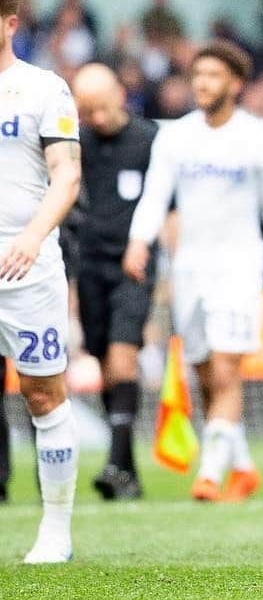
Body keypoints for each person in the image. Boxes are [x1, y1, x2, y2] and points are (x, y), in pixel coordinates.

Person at [124, 41, 263, 502]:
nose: (202, 83)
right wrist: (139, 242)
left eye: (213, 75)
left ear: (236, 83)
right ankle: (242, 468)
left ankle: (208, 474)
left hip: (240, 266)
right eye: (198, 75)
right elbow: (155, 195)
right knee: (205, 374)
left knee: (226, 369)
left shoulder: (261, 139)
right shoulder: (176, 136)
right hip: (189, 269)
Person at [0, 0, 82, 562]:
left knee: (43, 395)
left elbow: (68, 175)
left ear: (9, 23)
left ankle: (56, 528)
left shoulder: (43, 89)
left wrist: (32, 236)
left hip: (25, 268)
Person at [72, 63, 158, 500]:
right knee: (105, 363)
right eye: (88, 112)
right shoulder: (78, 143)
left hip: (135, 264)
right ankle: (125, 469)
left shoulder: (150, 140)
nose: (98, 119)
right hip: (90, 265)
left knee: (124, 358)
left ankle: (114, 462)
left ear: (120, 96)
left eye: (102, 108)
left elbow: (168, 207)